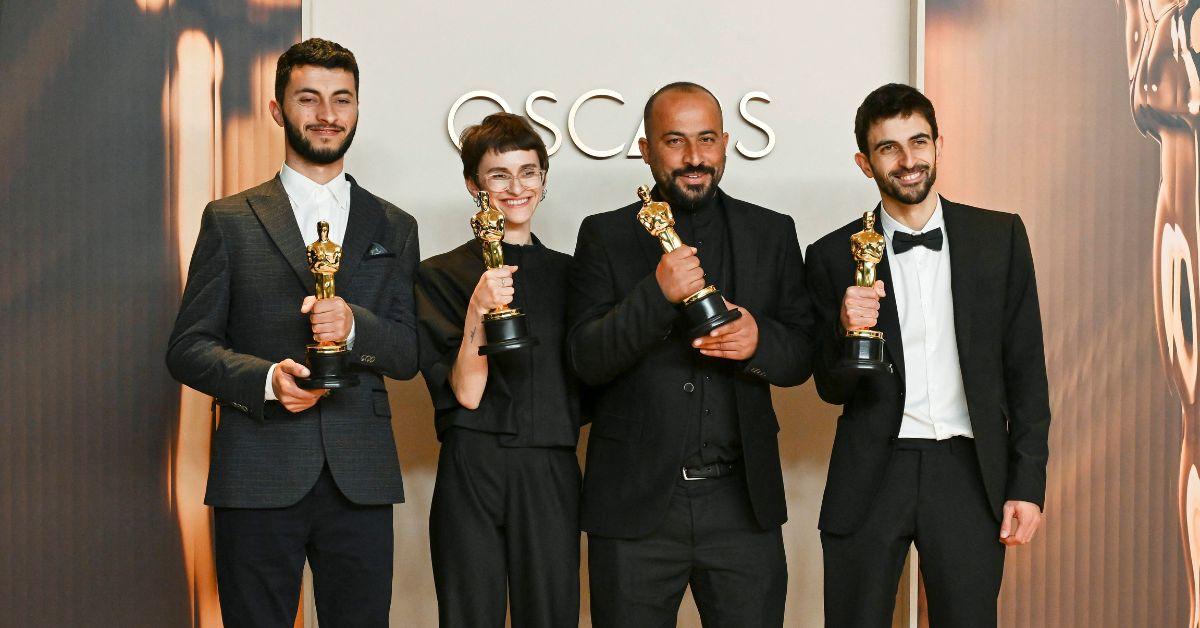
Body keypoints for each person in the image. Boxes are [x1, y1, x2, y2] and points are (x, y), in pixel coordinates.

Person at [165, 38, 418, 627]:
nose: (327, 115)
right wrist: (267, 382)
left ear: (357, 109)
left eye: (342, 99)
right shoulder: (229, 219)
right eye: (309, 98)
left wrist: (357, 327)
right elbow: (187, 348)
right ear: (278, 109)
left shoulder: (395, 225)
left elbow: (407, 353)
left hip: (361, 477)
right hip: (256, 471)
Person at [567, 82, 814, 627]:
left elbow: (802, 354)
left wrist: (759, 342)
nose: (694, 157)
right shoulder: (604, 235)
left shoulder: (772, 232)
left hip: (742, 507)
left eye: (706, 139)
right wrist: (656, 294)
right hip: (634, 508)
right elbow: (585, 359)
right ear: (646, 148)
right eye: (675, 141)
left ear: (725, 143)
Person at [804, 83, 1051, 626]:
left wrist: (1027, 486)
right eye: (889, 148)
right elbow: (828, 386)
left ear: (939, 144)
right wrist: (848, 331)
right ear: (865, 163)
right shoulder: (829, 255)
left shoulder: (999, 237)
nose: (908, 160)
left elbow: (1027, 372)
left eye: (919, 142)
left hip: (968, 471)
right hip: (872, 469)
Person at [416, 112, 582, 627]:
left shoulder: (574, 275)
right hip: (472, 464)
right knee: (468, 615)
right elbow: (466, 392)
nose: (517, 187)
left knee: (552, 615)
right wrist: (478, 312)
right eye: (498, 175)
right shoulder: (438, 274)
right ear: (474, 185)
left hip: (551, 463)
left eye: (528, 172)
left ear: (544, 180)